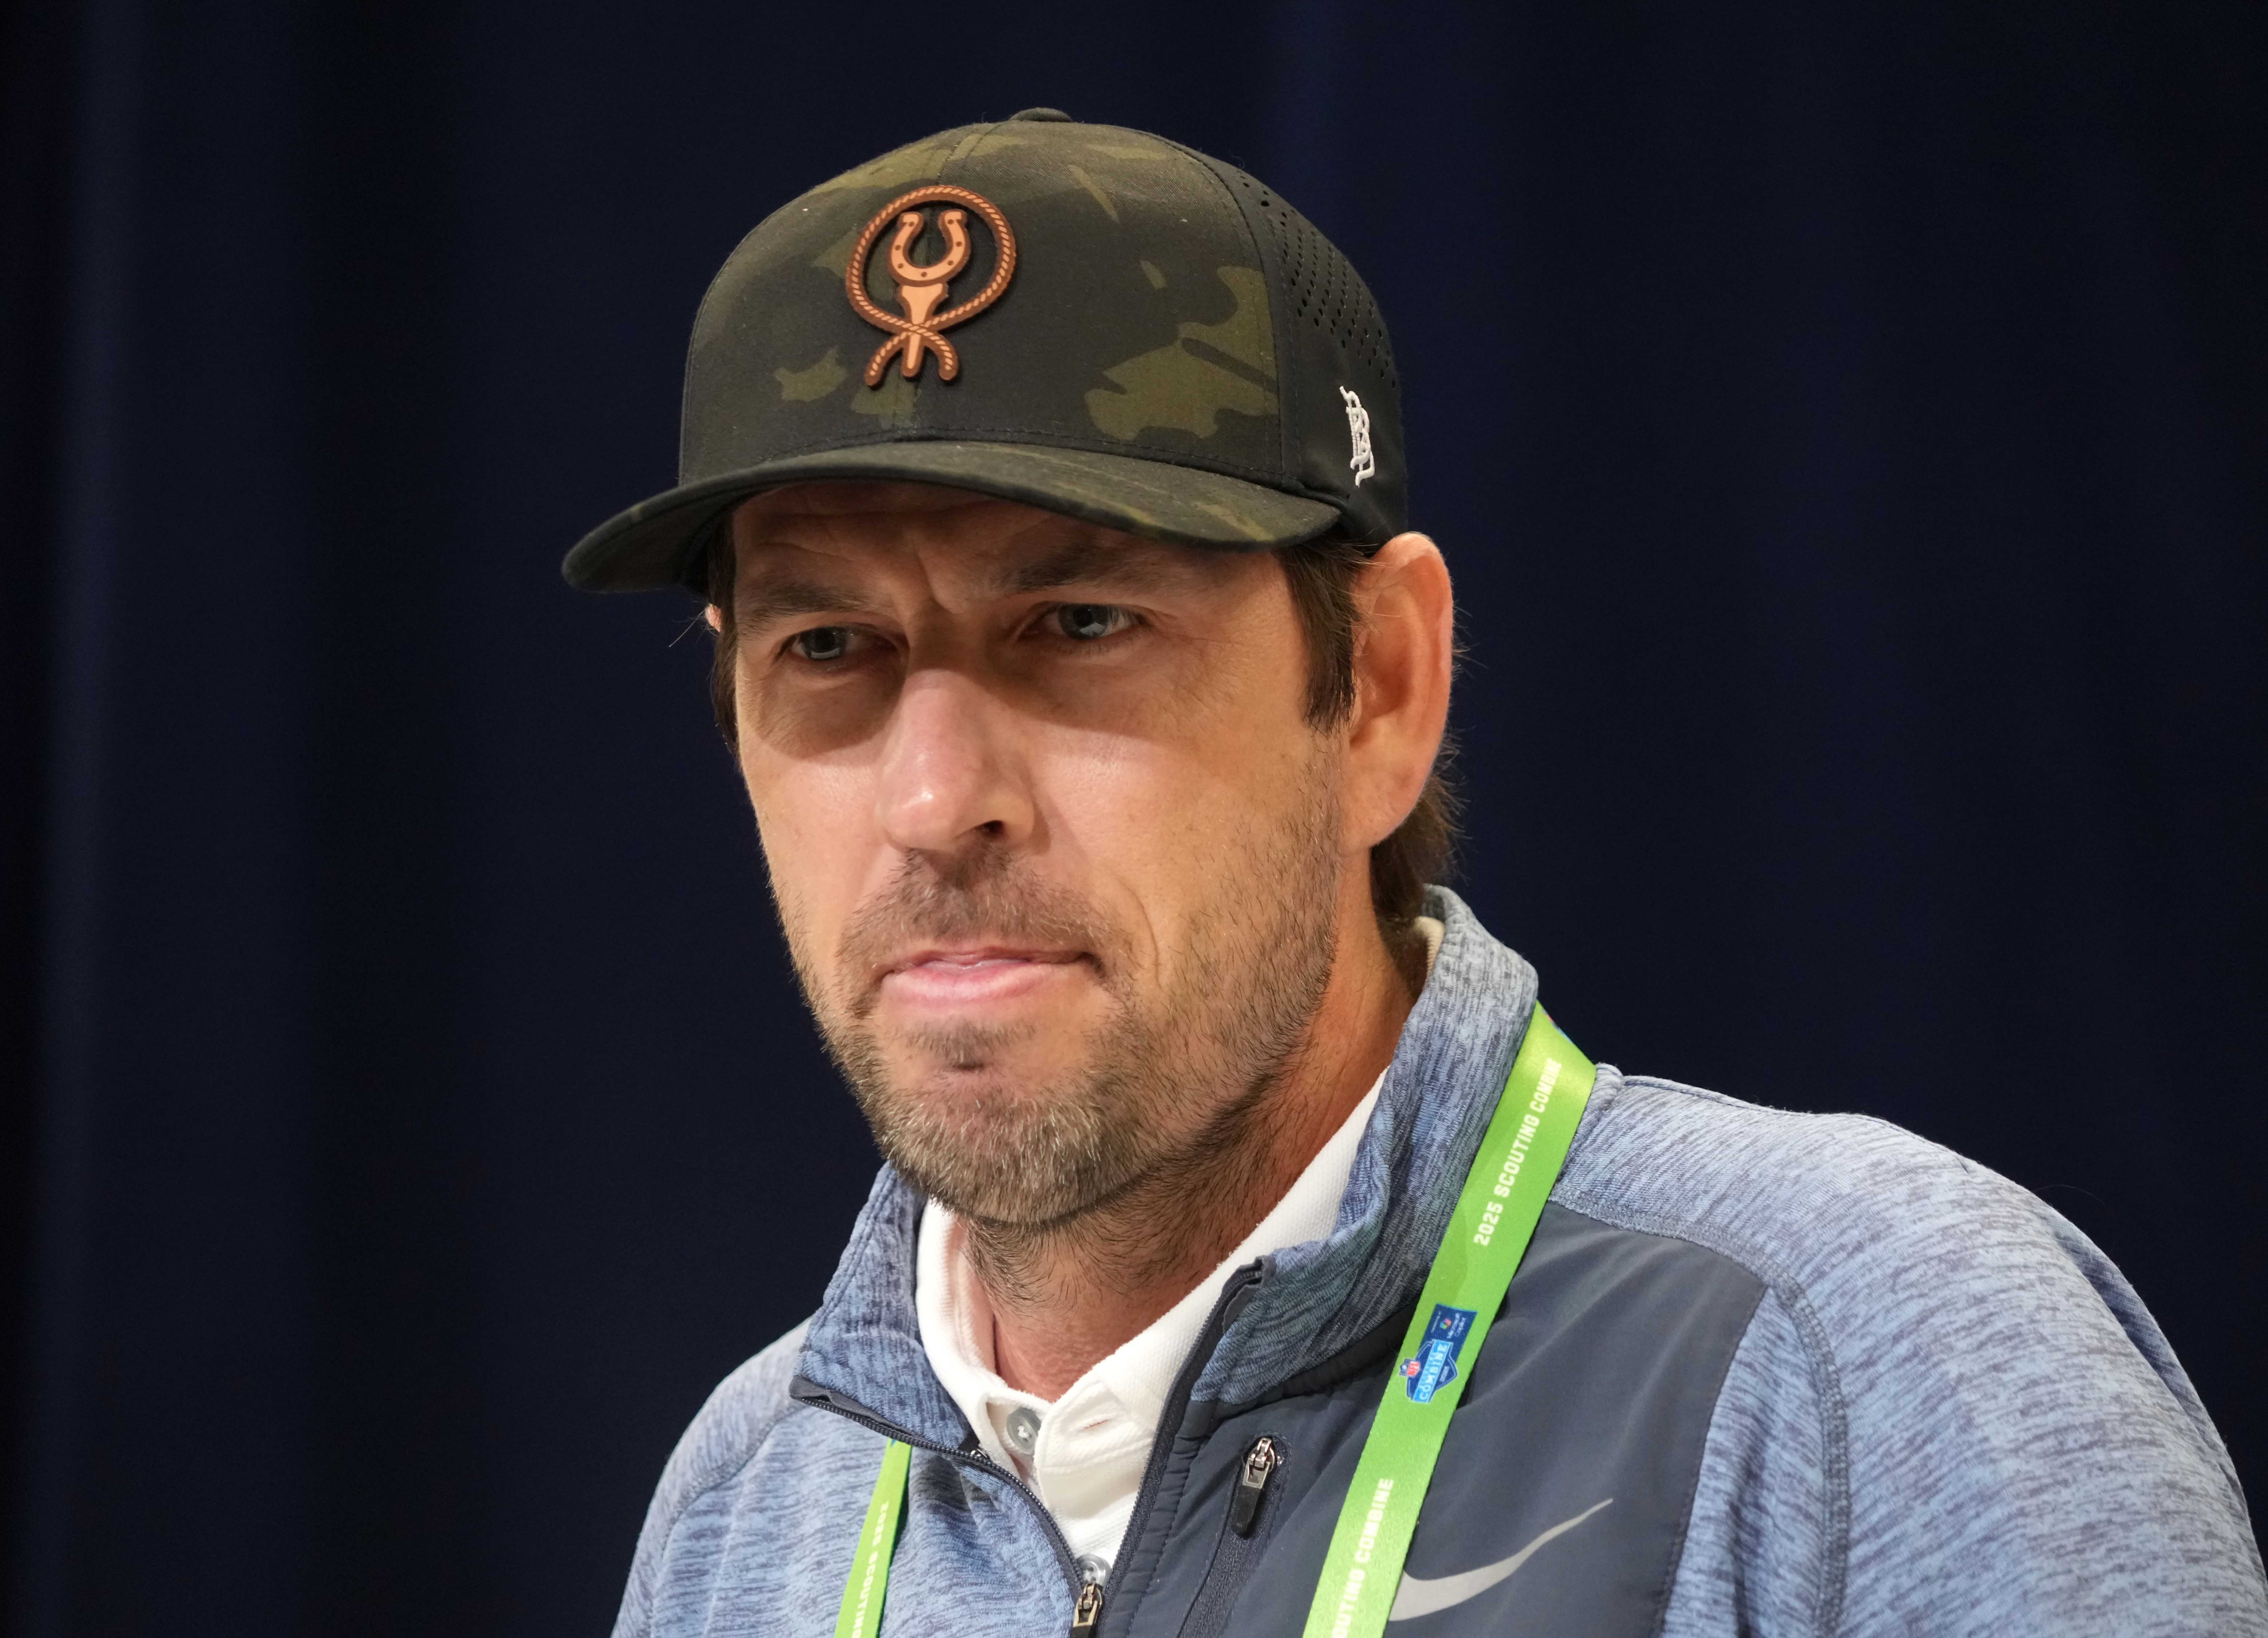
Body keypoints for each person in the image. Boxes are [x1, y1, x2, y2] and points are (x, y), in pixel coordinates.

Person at [564, 110, 2264, 1637]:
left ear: (1378, 684)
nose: (936, 802)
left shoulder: (1862, 1356)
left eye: (1079, 625)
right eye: (829, 645)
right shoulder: (749, 1507)